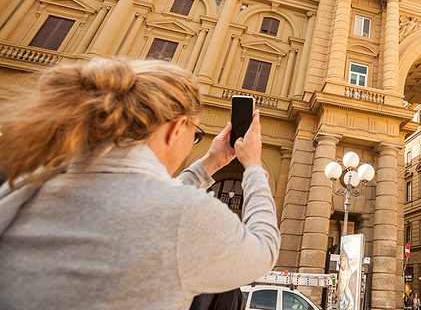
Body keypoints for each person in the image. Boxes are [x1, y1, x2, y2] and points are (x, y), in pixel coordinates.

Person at [0, 57, 280, 309]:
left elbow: (145, 199)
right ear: (176, 129)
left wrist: (210, 164)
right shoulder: (185, 214)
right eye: (195, 133)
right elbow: (263, 250)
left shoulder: (28, 187)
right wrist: (253, 165)